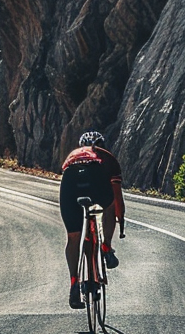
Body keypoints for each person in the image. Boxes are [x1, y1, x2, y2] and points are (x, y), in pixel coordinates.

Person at [59, 130, 125, 309]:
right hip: (96, 178)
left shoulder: (73, 155)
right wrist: (120, 222)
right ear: (103, 146)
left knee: (73, 237)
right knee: (109, 206)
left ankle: (74, 283)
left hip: (70, 178)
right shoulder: (107, 158)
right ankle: (106, 247)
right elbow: (117, 198)